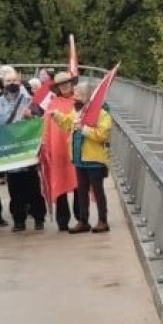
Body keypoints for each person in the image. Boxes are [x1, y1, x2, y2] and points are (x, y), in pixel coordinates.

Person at [51, 80, 112, 233]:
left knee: (98, 191)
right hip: (79, 158)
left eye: (78, 95)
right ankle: (83, 221)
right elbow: (68, 125)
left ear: (87, 96)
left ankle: (102, 220)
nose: (74, 97)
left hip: (94, 159)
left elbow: (103, 135)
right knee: (82, 191)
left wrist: (85, 130)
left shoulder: (101, 113)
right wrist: (57, 116)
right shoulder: (76, 111)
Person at [0, 68, 46, 232]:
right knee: (15, 189)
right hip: (10, 151)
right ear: (3, 83)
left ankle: (38, 218)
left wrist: (32, 117)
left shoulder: (30, 100)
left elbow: (41, 123)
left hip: (27, 150)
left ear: (20, 81)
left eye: (15, 80)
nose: (12, 83)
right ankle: (18, 220)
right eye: (8, 81)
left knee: (33, 187)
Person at [43, 70, 80, 231]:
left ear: (72, 83)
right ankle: (62, 220)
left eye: (67, 83)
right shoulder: (52, 104)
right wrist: (45, 145)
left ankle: (81, 218)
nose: (64, 86)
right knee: (60, 183)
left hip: (76, 148)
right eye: (61, 85)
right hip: (58, 149)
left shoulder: (79, 101)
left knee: (79, 183)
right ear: (57, 87)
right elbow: (46, 127)